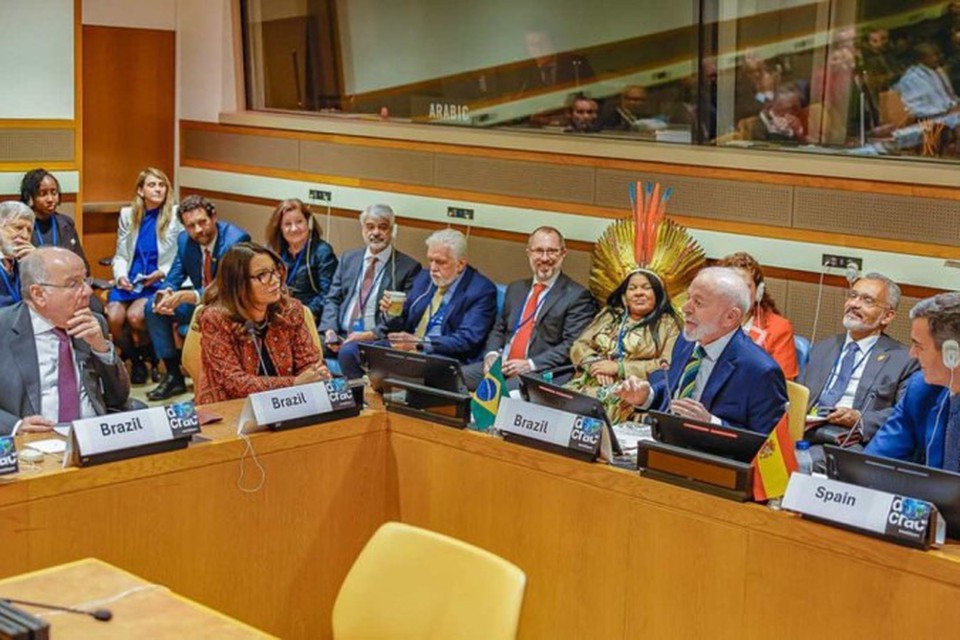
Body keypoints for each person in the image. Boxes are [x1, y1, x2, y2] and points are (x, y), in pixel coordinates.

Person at [615, 267, 788, 434]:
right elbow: (673, 392)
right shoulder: (687, 340)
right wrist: (647, 396)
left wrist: (711, 425)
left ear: (730, 317)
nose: (685, 308)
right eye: (688, 298)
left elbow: (768, 446)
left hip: (714, 458)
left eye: (698, 302)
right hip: (665, 444)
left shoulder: (760, 371)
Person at [0, 247, 129, 435]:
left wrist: (101, 349)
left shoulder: (94, 323)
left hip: (93, 436)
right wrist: (15, 426)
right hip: (33, 443)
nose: (87, 291)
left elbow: (119, 398)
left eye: (85, 280)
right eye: (73, 284)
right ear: (38, 294)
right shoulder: (4, 327)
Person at [337, 229, 497, 380]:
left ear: (460, 264)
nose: (433, 268)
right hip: (407, 347)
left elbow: (466, 341)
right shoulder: (424, 278)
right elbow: (402, 321)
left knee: (415, 367)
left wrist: (420, 343)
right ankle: (362, 402)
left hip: (441, 355)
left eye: (441, 262)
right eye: (431, 260)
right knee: (350, 351)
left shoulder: (480, 290)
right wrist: (391, 312)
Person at [144, 195, 250, 401]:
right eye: (191, 225)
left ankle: (208, 385)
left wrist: (189, 295)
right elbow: (175, 273)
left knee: (208, 315)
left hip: (229, 306)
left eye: (202, 222)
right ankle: (174, 376)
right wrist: (164, 293)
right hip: (200, 304)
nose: (199, 230)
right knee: (151, 308)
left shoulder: (235, 240)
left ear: (214, 217)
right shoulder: (185, 240)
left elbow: (226, 287)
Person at [462, 226, 595, 391]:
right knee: (452, 379)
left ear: (563, 254)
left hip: (539, 372)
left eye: (552, 251)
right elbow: (499, 329)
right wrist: (492, 355)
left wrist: (529, 364)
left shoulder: (577, 296)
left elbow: (571, 345)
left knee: (498, 393)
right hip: (502, 366)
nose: (545, 258)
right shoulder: (516, 289)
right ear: (529, 253)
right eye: (539, 251)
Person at [195, 242, 330, 404]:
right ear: (239, 283)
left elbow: (310, 362)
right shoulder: (215, 319)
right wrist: (293, 384)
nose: (275, 281)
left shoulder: (289, 310)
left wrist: (315, 376)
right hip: (230, 409)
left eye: (274, 271)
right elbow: (234, 382)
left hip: (288, 404)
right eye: (263, 275)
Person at [801, 273, 918, 444]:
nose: (854, 304)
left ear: (888, 316)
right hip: (806, 431)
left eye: (867, 301)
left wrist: (859, 418)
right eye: (853, 296)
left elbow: (905, 413)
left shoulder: (903, 360)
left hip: (852, 439)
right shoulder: (822, 348)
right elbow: (799, 395)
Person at [568, 269, 681, 423]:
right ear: (624, 297)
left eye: (646, 288)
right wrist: (595, 364)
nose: (639, 293)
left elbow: (667, 365)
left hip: (629, 392)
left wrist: (619, 368)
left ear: (658, 294)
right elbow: (579, 345)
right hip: (589, 380)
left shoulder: (669, 324)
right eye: (632, 288)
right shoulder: (609, 315)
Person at [866, 293, 960, 470]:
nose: (912, 354)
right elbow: (876, 461)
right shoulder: (920, 389)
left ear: (952, 354)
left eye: (919, 346)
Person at [106, 168, 182, 385]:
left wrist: (162, 273)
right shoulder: (127, 215)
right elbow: (121, 255)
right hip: (130, 281)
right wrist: (120, 276)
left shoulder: (175, 216)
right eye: (152, 185)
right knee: (113, 318)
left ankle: (153, 356)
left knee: (136, 317)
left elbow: (179, 255)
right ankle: (137, 359)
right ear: (141, 191)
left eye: (162, 185)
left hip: (157, 280)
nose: (158, 189)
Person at [320, 204, 421, 361]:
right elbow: (333, 299)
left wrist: (371, 334)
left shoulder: (407, 268)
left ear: (392, 231)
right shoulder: (348, 258)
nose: (375, 232)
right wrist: (330, 331)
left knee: (349, 352)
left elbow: (402, 316)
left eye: (383, 227)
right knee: (306, 347)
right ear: (362, 229)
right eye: (370, 227)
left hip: (374, 340)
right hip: (339, 335)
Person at [717, 252, 798, 380]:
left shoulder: (779, 329)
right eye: (730, 286)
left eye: (745, 287)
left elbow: (782, 385)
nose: (737, 294)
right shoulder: (707, 321)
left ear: (758, 292)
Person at [265, 198, 338, 321]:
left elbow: (328, 295)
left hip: (309, 316)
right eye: (287, 224)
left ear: (309, 223)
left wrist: (303, 314)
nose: (294, 229)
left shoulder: (322, 252)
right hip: (276, 313)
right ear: (280, 228)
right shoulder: (272, 250)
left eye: (299, 222)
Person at [19, 168, 88, 269]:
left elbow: (82, 264)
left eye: (54, 193)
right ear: (30, 197)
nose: (50, 199)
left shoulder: (66, 223)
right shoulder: (21, 226)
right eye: (43, 194)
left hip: (66, 280)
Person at [0, 201, 35, 308]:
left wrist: (37, 263)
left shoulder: (24, 263)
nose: (25, 236)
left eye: (29, 230)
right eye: (18, 228)